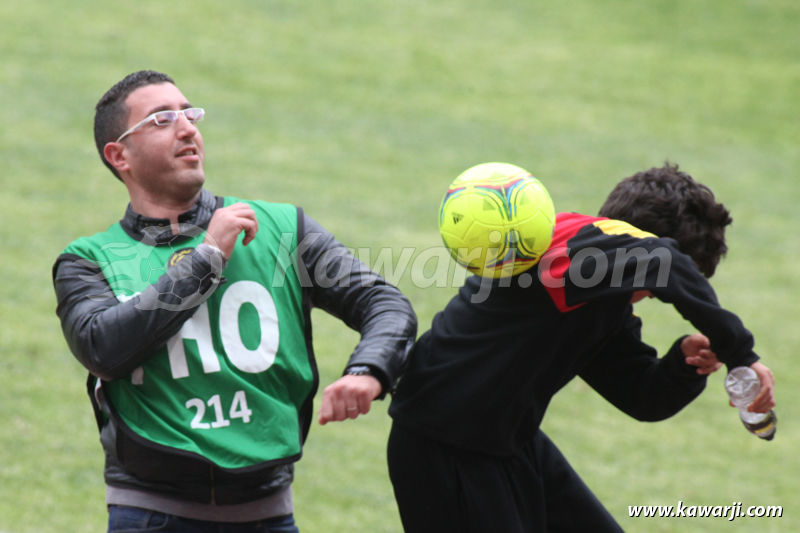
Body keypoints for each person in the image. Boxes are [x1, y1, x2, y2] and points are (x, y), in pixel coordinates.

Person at [52, 70, 417, 533]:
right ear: (118, 155)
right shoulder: (89, 260)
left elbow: (383, 302)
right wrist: (206, 258)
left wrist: (370, 369)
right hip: (148, 514)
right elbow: (102, 347)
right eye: (162, 119)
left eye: (189, 113)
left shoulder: (281, 229)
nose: (187, 127)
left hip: (268, 513)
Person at [387, 164, 776, 532]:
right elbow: (664, 260)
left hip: (506, 439)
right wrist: (741, 355)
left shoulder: (597, 295)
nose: (649, 297)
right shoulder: (570, 247)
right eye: (651, 291)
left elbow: (642, 395)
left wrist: (684, 364)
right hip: (444, 443)